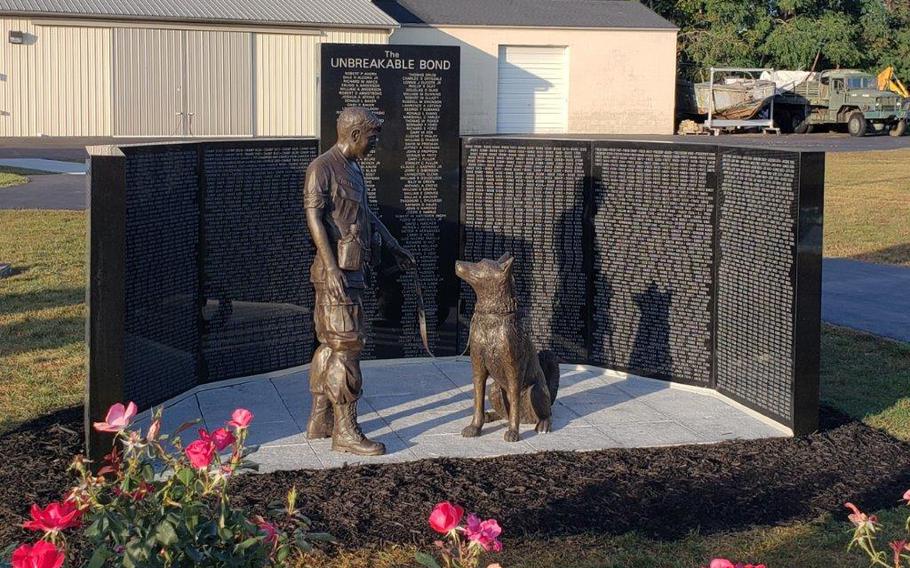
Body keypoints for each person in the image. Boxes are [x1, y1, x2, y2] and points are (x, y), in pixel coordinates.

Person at [302, 107, 415, 455]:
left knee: (330, 345)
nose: (375, 145)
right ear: (354, 135)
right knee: (347, 347)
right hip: (336, 276)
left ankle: (320, 421)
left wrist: (394, 246)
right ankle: (346, 431)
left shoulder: (353, 169)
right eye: (372, 138)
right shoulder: (322, 167)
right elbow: (314, 218)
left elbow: (365, 214)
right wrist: (332, 267)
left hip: (350, 273)